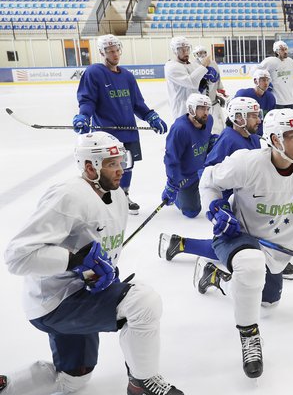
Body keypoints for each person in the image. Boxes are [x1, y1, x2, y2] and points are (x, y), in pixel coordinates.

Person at [2, 132, 184, 395]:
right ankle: (142, 382)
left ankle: (6, 385)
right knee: (143, 302)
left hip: (78, 294)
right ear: (90, 167)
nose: (120, 169)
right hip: (55, 302)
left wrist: (100, 274)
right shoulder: (68, 196)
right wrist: (73, 261)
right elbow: (17, 257)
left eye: (121, 161)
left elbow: (99, 251)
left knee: (73, 380)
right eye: (112, 164)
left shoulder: (117, 195)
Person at [196, 109, 293, 379]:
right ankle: (249, 336)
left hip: (276, 248)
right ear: (273, 139)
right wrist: (215, 208)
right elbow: (208, 179)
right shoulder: (247, 163)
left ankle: (216, 277)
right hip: (237, 234)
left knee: (268, 302)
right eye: (290, 135)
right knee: (250, 265)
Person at [74, 34, 168, 216]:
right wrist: (83, 116)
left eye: (117, 50)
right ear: (102, 52)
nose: (115, 54)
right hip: (106, 135)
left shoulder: (127, 76)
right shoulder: (94, 72)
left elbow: (137, 104)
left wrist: (151, 117)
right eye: (110, 51)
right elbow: (87, 100)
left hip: (129, 132)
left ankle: (123, 196)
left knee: (126, 166)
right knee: (105, 168)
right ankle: (102, 197)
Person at [161, 94, 215, 218]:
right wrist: (172, 184)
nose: (206, 112)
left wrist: (213, 140)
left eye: (207, 108)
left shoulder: (209, 120)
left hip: (202, 169)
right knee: (192, 212)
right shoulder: (180, 129)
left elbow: (205, 137)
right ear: (191, 109)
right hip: (185, 177)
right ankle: (179, 195)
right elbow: (171, 159)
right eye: (201, 108)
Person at [164, 36, 219, 119]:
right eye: (182, 50)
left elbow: (204, 87)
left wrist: (211, 81)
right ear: (175, 51)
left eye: (187, 49)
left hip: (197, 108)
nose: (186, 52)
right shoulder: (171, 67)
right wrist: (204, 65)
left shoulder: (193, 65)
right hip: (181, 111)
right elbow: (192, 82)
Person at [256, 40, 293, 110]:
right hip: (276, 101)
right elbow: (255, 71)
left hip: (289, 100)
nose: (285, 52)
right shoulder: (270, 61)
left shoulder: (290, 61)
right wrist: (265, 82)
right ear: (276, 51)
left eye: (286, 49)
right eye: (282, 50)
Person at [192, 45, 227, 134]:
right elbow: (191, 84)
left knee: (219, 127)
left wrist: (219, 92)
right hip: (200, 106)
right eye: (199, 53)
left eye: (204, 52)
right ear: (195, 55)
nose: (202, 55)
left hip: (213, 103)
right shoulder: (192, 66)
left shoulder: (213, 63)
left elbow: (217, 78)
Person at [235, 68, 276, 136]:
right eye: (263, 80)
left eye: (267, 80)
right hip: (244, 133)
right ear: (256, 81)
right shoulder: (243, 95)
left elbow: (271, 119)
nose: (266, 83)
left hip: (261, 135)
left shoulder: (270, 98)